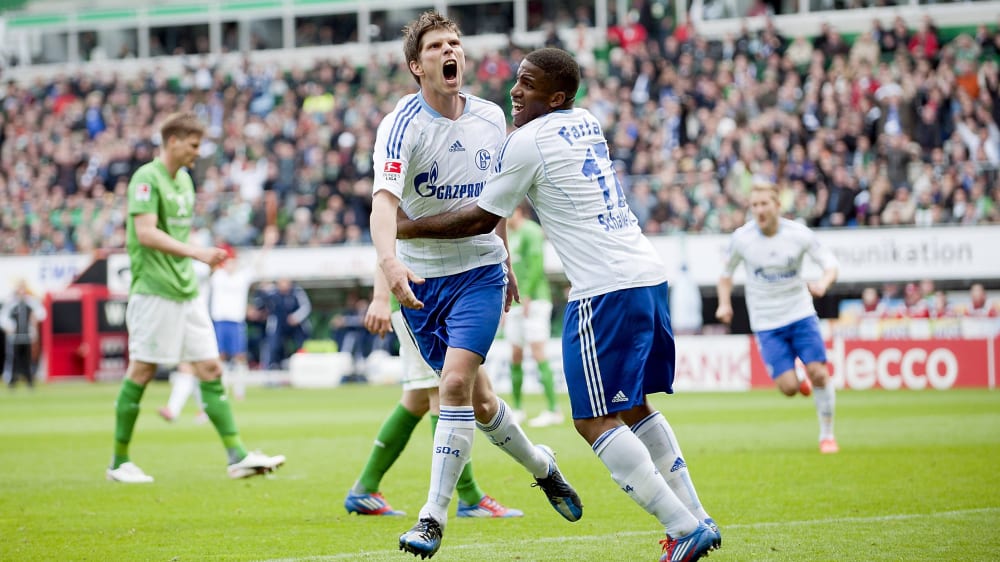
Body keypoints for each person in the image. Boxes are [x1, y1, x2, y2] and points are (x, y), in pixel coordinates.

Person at [396, 47, 718, 562]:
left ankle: (683, 528)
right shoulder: (585, 121)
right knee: (634, 407)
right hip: (645, 274)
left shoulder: (528, 141)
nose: (514, 92)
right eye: (516, 82)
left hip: (603, 290)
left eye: (527, 84)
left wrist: (400, 226)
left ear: (557, 96)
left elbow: (480, 219)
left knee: (592, 421)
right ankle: (698, 516)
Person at [371, 15, 582, 560]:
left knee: (455, 386)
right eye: (438, 46)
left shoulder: (491, 118)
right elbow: (383, 205)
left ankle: (432, 517)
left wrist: (507, 258)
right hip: (422, 283)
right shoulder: (401, 126)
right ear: (418, 66)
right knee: (482, 401)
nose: (451, 52)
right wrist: (389, 266)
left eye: (456, 44)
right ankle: (543, 466)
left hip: (479, 274)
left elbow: (500, 197)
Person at [108, 111, 284, 483]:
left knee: (210, 368)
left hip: (186, 292)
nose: (196, 152)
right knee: (142, 370)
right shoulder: (146, 178)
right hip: (154, 292)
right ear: (172, 141)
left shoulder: (185, 181)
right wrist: (198, 253)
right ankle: (119, 461)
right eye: (192, 145)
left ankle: (237, 455)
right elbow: (146, 234)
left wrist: (200, 254)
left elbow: (176, 235)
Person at [344, 270, 523, 519]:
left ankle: (365, 488)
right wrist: (381, 298)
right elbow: (385, 243)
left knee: (417, 398)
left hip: (429, 300)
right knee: (443, 394)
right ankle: (470, 497)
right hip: (416, 302)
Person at [715, 179, 840, 455]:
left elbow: (830, 264)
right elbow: (725, 275)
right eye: (754, 205)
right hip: (766, 323)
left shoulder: (798, 234)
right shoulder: (742, 238)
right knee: (788, 388)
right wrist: (724, 304)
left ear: (777, 205)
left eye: (764, 204)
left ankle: (827, 436)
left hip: (800, 313)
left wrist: (823, 283)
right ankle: (798, 376)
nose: (759, 210)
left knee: (819, 373)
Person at [505, 202, 563, 428]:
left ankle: (553, 409)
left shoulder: (532, 231)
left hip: (535, 300)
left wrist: (527, 294)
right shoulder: (508, 233)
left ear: (518, 210)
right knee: (515, 354)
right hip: (517, 303)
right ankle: (517, 409)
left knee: (538, 350)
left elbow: (537, 265)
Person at [209, 226, 278, 398]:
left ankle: (240, 391)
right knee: (221, 357)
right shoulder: (217, 276)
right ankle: (222, 390)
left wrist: (268, 244)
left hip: (236, 321)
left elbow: (258, 263)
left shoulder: (242, 277)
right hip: (220, 321)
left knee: (240, 357)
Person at [1, 279, 47, 389]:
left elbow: (42, 313)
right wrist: (9, 327)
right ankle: (12, 381)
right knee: (14, 359)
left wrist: (35, 319)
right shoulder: (11, 303)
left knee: (28, 359)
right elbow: (3, 318)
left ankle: (29, 381)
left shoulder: (31, 302)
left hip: (27, 336)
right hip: (15, 337)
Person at [258, 277, 312, 369]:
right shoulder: (273, 292)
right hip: (279, 325)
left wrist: (296, 317)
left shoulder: (297, 292)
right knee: (273, 344)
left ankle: (305, 366)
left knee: (302, 344)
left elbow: (306, 307)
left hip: (296, 325)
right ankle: (271, 366)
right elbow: (262, 303)